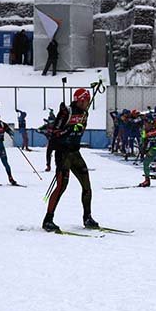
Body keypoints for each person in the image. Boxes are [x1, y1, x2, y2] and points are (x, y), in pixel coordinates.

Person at [43, 88, 99, 232]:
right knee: (61, 187)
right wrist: (70, 129)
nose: (87, 104)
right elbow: (54, 134)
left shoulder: (85, 114)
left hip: (75, 153)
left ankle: (87, 217)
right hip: (63, 154)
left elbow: (80, 131)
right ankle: (48, 220)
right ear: (80, 100)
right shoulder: (66, 112)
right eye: (86, 101)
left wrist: (78, 128)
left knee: (87, 186)